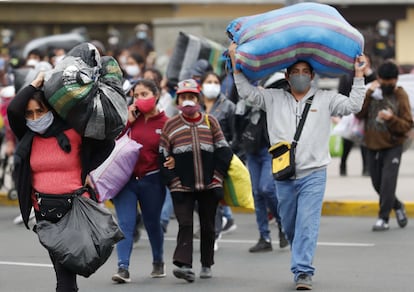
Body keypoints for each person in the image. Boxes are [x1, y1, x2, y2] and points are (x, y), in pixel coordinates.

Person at [228, 42, 367, 290]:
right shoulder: (272, 98)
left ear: (312, 76)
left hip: (314, 174)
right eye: (295, 71)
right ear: (287, 76)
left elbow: (353, 106)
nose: (300, 75)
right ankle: (298, 251)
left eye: (305, 71)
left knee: (306, 224)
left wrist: (358, 76)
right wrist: (236, 65)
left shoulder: (326, 99)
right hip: (283, 173)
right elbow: (248, 93)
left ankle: (303, 271)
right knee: (290, 223)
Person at [7, 72, 114, 292]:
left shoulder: (74, 131)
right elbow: (12, 110)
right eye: (30, 114)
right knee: (61, 270)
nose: (36, 118)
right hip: (44, 211)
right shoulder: (28, 136)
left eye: (40, 111)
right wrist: (33, 85)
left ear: (51, 110)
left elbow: (107, 142)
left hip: (73, 209)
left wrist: (87, 169)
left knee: (65, 273)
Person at [159, 78, 233, 282]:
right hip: (181, 187)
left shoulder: (211, 122)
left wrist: (217, 178)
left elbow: (224, 151)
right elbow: (163, 155)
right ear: (178, 101)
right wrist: (173, 181)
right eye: (184, 98)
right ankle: (184, 265)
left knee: (208, 227)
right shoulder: (171, 125)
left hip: (209, 185)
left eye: (191, 97)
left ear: (198, 99)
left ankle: (207, 263)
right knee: (185, 224)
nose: (188, 101)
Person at [111, 79, 168, 283]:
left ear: (156, 96)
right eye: (136, 95)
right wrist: (127, 122)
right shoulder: (127, 118)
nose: (139, 99)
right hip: (125, 181)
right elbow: (112, 144)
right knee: (126, 223)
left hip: (152, 181)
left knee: (152, 223)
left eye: (144, 94)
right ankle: (123, 267)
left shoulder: (166, 123)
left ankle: (158, 260)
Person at [355, 61, 413, 231]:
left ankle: (383, 218)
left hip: (393, 145)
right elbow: (358, 114)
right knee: (377, 184)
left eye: (391, 82)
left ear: (396, 80)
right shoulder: (371, 92)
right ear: (378, 78)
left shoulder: (400, 95)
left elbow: (407, 124)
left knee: (388, 182)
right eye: (384, 81)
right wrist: (369, 92)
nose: (387, 85)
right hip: (372, 145)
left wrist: (391, 119)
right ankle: (398, 206)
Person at [241, 73, 289, 252]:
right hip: (252, 147)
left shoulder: (280, 83)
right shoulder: (253, 83)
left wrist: (264, 96)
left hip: (271, 149)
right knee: (256, 193)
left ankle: (282, 224)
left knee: (266, 188)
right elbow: (240, 111)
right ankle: (264, 237)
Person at [199, 71, 238, 240]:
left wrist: (228, 154)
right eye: (209, 81)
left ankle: (213, 234)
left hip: (219, 159)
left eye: (215, 81)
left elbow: (235, 134)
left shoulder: (228, 106)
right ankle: (220, 222)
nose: (212, 84)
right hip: (198, 159)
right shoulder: (195, 105)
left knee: (214, 195)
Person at [337, 54, 376, 176]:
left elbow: (376, 84)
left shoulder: (370, 76)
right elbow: (341, 94)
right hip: (350, 115)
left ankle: (366, 168)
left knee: (364, 142)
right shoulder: (347, 77)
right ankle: (343, 164)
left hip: (365, 115)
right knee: (347, 143)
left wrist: (367, 71)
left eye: (367, 62)